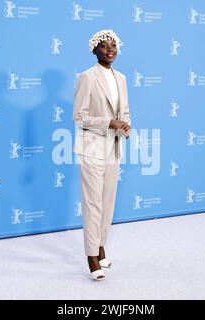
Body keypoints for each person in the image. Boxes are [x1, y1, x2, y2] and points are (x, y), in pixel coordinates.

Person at [73, 29, 131, 281]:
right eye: (105, 46)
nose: (110, 50)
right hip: (92, 149)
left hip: (113, 148)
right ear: (95, 49)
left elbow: (125, 110)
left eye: (114, 46)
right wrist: (109, 122)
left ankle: (101, 246)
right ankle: (91, 257)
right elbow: (79, 117)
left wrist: (125, 125)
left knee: (107, 203)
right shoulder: (87, 77)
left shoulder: (122, 78)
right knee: (93, 204)